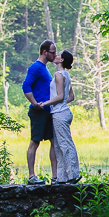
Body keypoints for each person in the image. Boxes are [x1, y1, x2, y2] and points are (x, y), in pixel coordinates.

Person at [21, 40, 57, 184]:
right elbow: (26, 86)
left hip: (48, 110)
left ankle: (55, 176)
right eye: (52, 52)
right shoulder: (35, 67)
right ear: (44, 52)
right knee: (35, 142)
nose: (54, 55)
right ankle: (31, 176)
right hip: (38, 112)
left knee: (54, 142)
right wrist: (34, 103)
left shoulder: (44, 68)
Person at [44, 50, 80, 184]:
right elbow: (70, 96)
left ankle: (73, 175)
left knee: (64, 144)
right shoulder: (66, 75)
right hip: (63, 112)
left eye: (58, 55)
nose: (56, 56)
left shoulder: (59, 75)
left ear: (62, 60)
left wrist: (45, 104)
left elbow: (60, 96)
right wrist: (61, 103)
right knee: (59, 146)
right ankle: (62, 177)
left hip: (59, 114)